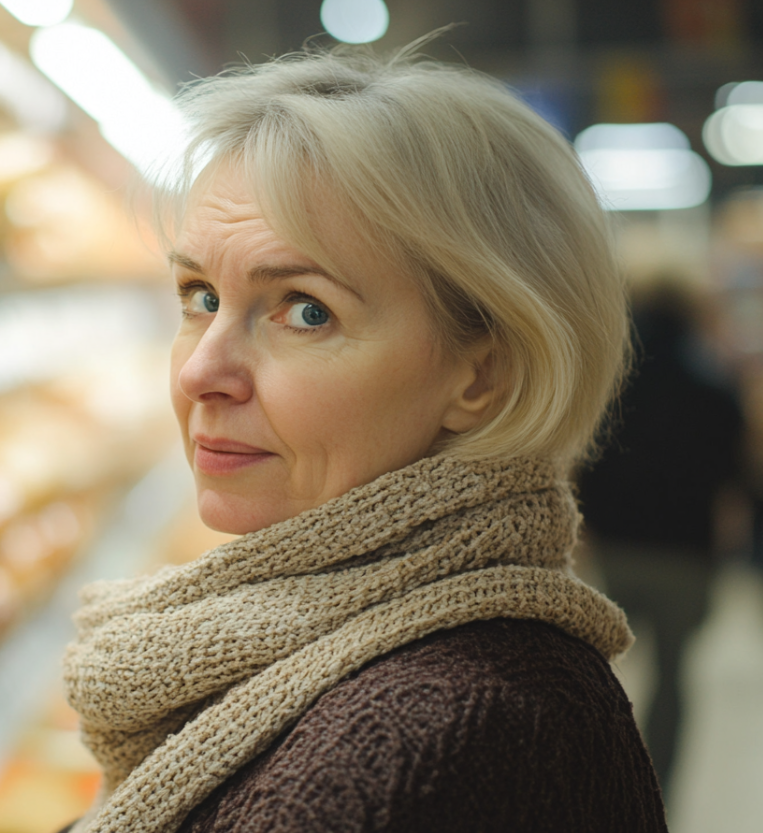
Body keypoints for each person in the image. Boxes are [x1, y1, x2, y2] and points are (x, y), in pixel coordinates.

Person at [60, 39, 666, 833]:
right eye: (199, 295)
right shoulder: (346, 658)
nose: (201, 371)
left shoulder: (443, 734)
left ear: (480, 375)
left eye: (305, 310)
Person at [579, 284, 747, 794]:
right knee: (673, 675)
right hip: (685, 552)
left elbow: (584, 464)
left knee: (598, 671)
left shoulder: (609, 388)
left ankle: (599, 783)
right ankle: (656, 789)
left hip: (617, 547)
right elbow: (733, 479)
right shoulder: (716, 388)